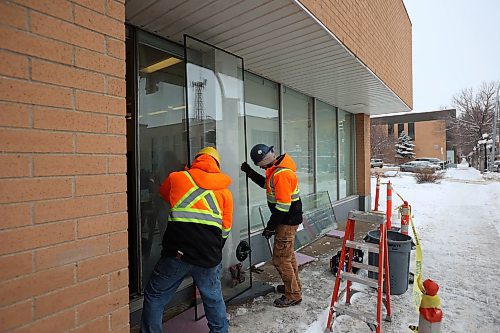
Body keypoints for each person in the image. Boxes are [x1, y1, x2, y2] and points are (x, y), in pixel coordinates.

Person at [141, 147, 233, 333]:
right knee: (213, 297)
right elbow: (225, 229)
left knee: (155, 295)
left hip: (177, 254)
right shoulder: (225, 192)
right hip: (208, 256)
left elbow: (164, 194)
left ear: (196, 161)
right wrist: (213, 250)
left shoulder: (177, 178)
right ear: (216, 165)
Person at [241, 144, 303, 307]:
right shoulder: (276, 170)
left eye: (257, 164)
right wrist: (250, 173)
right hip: (287, 220)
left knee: (280, 259)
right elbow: (266, 184)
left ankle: (293, 295)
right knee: (288, 257)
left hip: (286, 222)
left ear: (263, 161)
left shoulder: (281, 174)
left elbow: (283, 206)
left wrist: (270, 227)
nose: (258, 167)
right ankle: (293, 288)